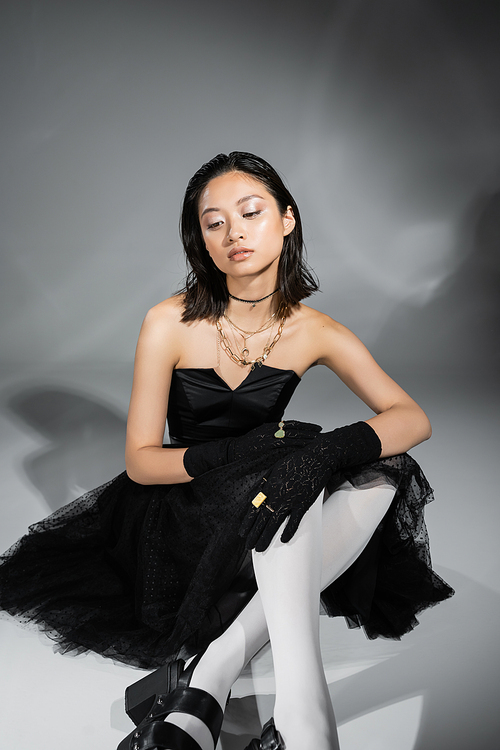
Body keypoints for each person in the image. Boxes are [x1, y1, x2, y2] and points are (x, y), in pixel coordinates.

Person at [0, 152, 454, 750]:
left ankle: (207, 686)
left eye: (250, 212)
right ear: (202, 241)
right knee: (289, 460)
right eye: (214, 223)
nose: (233, 231)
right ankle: (302, 721)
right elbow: (141, 459)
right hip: (179, 518)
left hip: (268, 507)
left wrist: (320, 457)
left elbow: (411, 418)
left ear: (287, 220)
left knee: (380, 467)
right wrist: (234, 457)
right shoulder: (168, 321)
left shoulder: (315, 330)